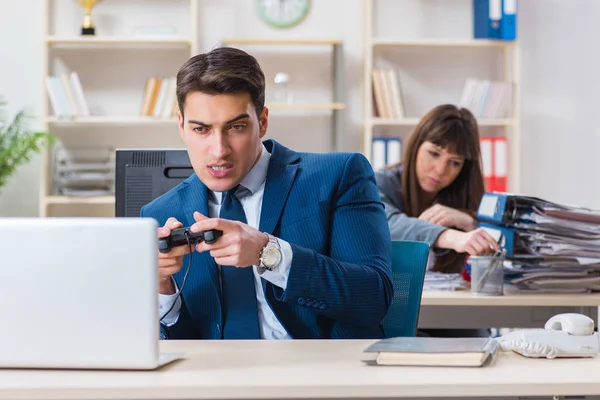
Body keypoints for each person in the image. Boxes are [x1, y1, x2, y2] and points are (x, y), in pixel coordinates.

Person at [141, 46, 393, 340]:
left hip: (319, 375)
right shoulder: (158, 214)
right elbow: (186, 341)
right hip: (214, 379)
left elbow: (373, 299)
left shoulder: (339, 175)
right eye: (201, 130)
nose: (219, 150)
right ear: (182, 126)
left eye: (236, 127)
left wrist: (268, 253)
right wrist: (162, 286)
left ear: (262, 121)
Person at [375, 104, 498, 338]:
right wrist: (452, 237)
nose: (441, 170)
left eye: (455, 162)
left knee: (480, 342)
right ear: (416, 146)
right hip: (393, 312)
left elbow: (500, 251)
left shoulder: (465, 196)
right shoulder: (380, 183)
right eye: (434, 153)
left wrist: (469, 223)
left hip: (455, 314)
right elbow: (387, 223)